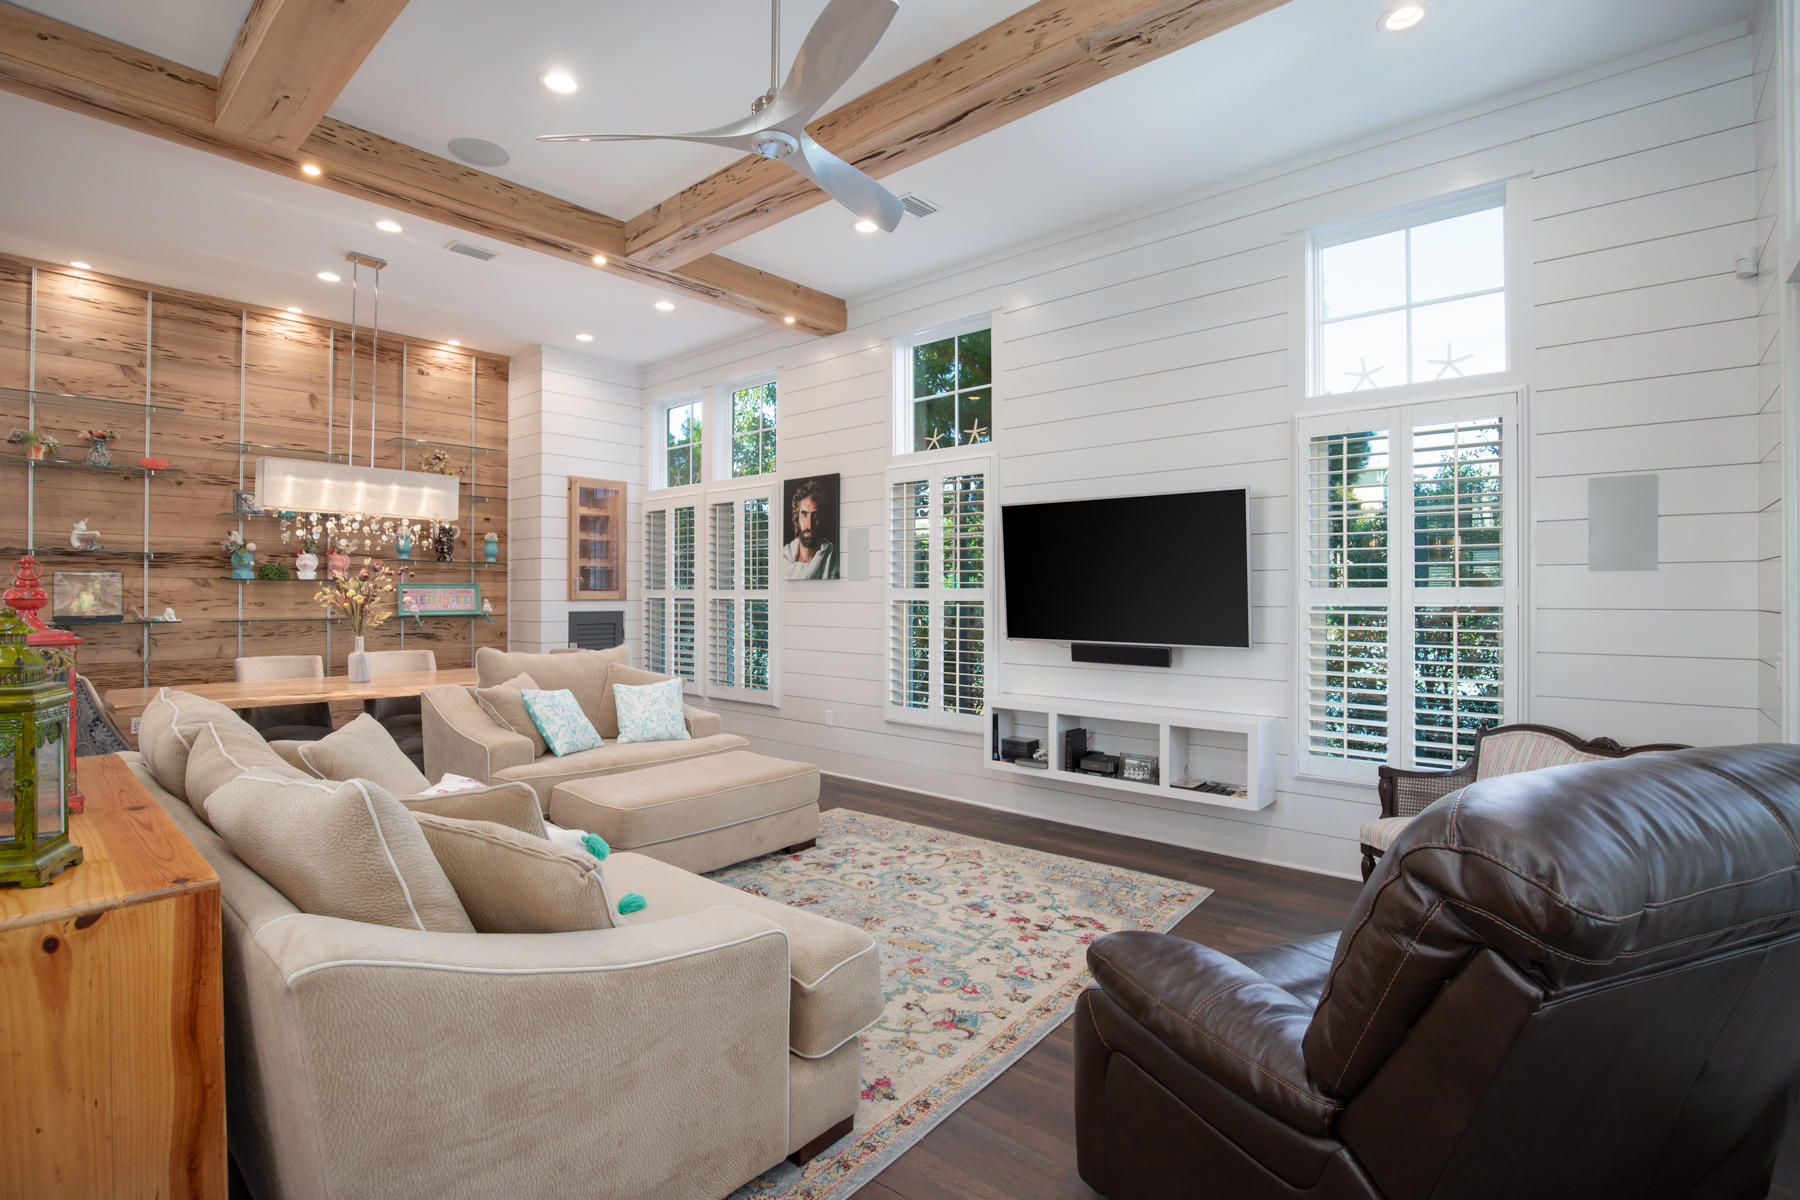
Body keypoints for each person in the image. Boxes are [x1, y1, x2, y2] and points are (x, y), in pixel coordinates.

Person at [782, 477, 839, 579]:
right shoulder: (784, 557)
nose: (809, 525)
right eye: (804, 514)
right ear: (797, 518)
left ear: (822, 518)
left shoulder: (835, 557)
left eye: (815, 516)